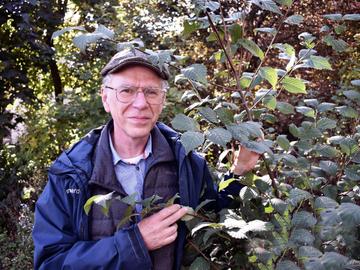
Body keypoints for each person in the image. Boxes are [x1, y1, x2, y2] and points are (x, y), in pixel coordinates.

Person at [32, 49, 260, 270]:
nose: (140, 103)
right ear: (106, 98)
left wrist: (239, 172)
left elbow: (209, 219)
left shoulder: (187, 161)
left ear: (162, 100)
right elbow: (50, 262)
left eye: (151, 92)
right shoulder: (71, 173)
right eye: (127, 91)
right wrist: (135, 242)